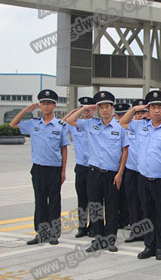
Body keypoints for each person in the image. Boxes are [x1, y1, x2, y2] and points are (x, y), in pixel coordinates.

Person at [120, 90, 161, 260]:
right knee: (147, 213)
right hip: (143, 178)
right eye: (153, 107)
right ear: (148, 109)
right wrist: (135, 109)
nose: (156, 110)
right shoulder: (140, 125)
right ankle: (149, 246)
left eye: (160, 106)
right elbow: (122, 121)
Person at [65, 91, 129, 252]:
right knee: (95, 206)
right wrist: (85, 108)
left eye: (107, 106)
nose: (104, 110)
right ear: (98, 109)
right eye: (101, 107)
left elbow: (125, 151)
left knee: (112, 207)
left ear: (112, 108)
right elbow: (69, 120)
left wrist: (120, 173)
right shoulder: (90, 124)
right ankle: (98, 238)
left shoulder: (120, 127)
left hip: (112, 174)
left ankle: (110, 239)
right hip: (93, 172)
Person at [10, 89, 70, 245]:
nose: (45, 106)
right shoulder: (33, 124)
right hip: (38, 169)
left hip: (54, 169)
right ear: (40, 106)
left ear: (54, 106)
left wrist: (63, 171)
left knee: (54, 202)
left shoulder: (60, 125)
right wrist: (25, 110)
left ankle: (54, 234)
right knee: (40, 202)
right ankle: (41, 233)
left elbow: (64, 148)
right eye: (43, 103)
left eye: (48, 103)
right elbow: (13, 124)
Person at [63, 97, 94, 238]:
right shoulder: (75, 124)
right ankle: (82, 226)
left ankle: (94, 226)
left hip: (94, 168)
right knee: (82, 199)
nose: (86, 112)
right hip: (81, 167)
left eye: (89, 110)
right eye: (84, 110)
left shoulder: (96, 124)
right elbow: (64, 121)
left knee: (94, 199)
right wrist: (78, 109)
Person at [122, 99, 148, 243]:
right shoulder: (130, 127)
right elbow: (122, 121)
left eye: (143, 112)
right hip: (131, 170)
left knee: (145, 203)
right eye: (137, 113)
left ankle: (146, 231)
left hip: (145, 171)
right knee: (132, 202)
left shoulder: (148, 127)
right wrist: (133, 110)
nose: (140, 115)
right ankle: (135, 231)